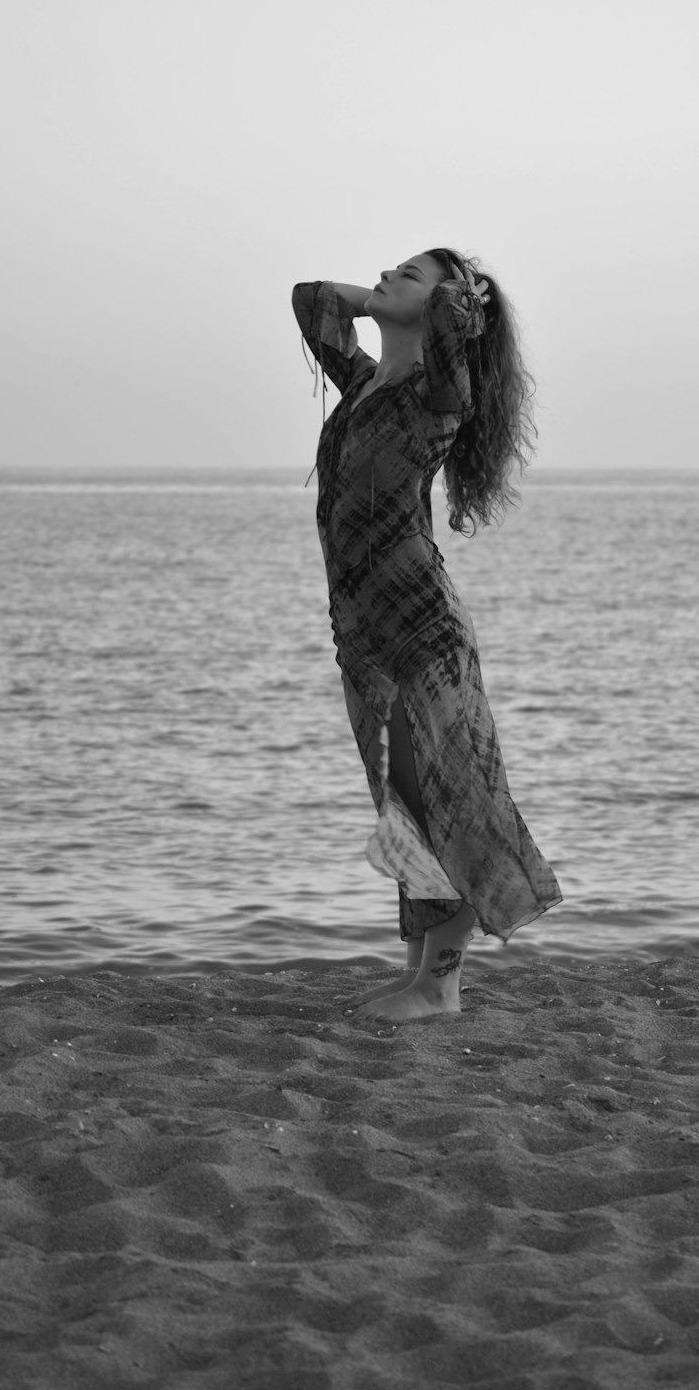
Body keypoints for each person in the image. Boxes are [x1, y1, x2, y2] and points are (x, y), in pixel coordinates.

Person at [292, 248, 561, 1021]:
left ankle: (441, 986)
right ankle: (418, 970)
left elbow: (449, 330)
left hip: (418, 629)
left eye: (405, 273)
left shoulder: (437, 395)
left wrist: (446, 301)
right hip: (361, 630)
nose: (383, 274)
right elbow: (309, 298)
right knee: (399, 808)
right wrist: (390, 302)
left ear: (448, 308)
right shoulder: (365, 382)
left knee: (440, 801)